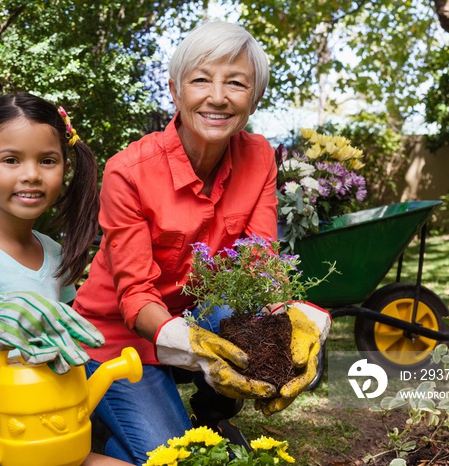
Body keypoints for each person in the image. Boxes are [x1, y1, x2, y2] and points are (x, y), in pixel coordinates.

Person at [72, 22, 331, 465]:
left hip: (197, 317)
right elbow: (135, 297)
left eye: (236, 83)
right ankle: (95, 432)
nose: (217, 96)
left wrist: (301, 320)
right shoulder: (128, 171)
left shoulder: (259, 156)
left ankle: (212, 412)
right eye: (200, 79)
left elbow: (260, 264)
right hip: (118, 339)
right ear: (175, 90)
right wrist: (195, 347)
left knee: (251, 321)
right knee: (175, 457)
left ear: (254, 98)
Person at [0, 92, 132, 466]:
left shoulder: (53, 251)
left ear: (64, 168)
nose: (31, 174)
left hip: (56, 440)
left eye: (47, 161)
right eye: (11, 160)